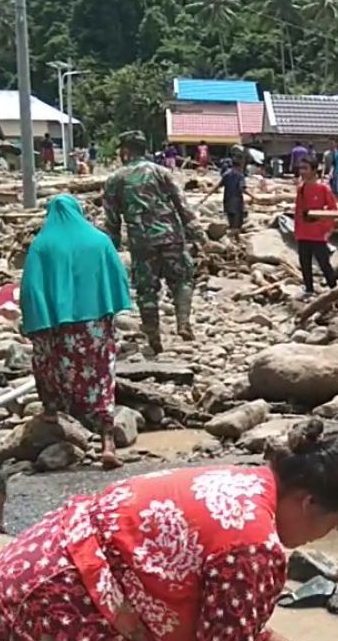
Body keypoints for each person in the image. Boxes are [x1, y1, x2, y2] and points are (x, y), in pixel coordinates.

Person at [0, 420, 338, 641]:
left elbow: (221, 619)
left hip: (30, 572)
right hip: (60, 613)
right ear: (309, 503)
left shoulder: (246, 484)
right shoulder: (255, 547)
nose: (325, 535)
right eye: (334, 523)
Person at [20, 194, 133, 469]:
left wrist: (35, 322)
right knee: (101, 374)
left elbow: (30, 288)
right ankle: (107, 441)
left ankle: (51, 410)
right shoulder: (99, 240)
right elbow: (118, 275)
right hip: (93, 325)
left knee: (48, 364)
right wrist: (111, 306)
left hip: (57, 326)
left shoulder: (42, 245)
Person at [102, 130, 205, 354]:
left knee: (146, 289)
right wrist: (195, 230)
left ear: (126, 151)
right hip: (171, 236)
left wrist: (113, 245)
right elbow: (181, 203)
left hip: (141, 242)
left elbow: (111, 219)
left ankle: (154, 337)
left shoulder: (116, 179)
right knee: (183, 279)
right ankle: (183, 322)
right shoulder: (162, 172)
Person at [294, 157, 338, 298]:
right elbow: (298, 211)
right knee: (305, 264)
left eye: (305, 168)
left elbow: (333, 210)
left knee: (324, 263)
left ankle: (334, 289)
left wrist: (327, 228)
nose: (302, 172)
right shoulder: (301, 189)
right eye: (301, 168)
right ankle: (309, 289)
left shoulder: (323, 189)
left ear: (314, 170)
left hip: (318, 233)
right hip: (303, 233)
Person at [201, 159, 256, 237]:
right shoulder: (239, 175)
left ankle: (232, 238)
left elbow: (217, 186)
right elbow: (242, 188)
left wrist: (206, 196)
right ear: (240, 166)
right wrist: (253, 196)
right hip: (237, 202)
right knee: (237, 223)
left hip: (227, 201)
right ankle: (236, 239)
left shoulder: (226, 174)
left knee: (231, 221)